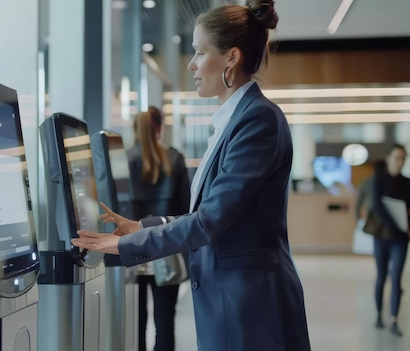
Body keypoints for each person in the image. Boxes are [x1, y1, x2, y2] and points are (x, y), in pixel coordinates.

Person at [71, 1, 311, 349]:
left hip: (249, 306)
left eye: (200, 52)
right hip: (232, 299)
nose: (191, 64)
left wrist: (125, 245)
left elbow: (210, 221)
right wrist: (141, 227)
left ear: (230, 58)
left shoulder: (257, 120)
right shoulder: (235, 120)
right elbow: (211, 213)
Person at [127, 106, 190, 351]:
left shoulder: (125, 159)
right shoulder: (175, 158)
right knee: (165, 323)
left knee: (136, 323)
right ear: (160, 127)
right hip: (167, 248)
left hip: (133, 250)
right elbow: (186, 208)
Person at [356, 145, 410, 336]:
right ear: (388, 158)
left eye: (403, 159)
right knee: (381, 277)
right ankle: (379, 315)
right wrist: (397, 223)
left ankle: (394, 320)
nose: (400, 162)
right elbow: (378, 207)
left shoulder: (407, 183)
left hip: (401, 239)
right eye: (397, 158)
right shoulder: (379, 179)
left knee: (396, 278)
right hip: (382, 237)